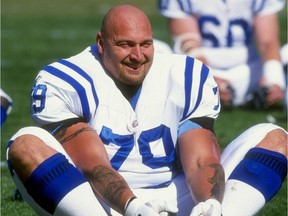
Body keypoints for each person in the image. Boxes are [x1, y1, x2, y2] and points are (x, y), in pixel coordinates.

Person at [6, 4, 287, 216]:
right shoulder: (65, 80)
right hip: (98, 201)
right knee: (25, 143)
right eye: (125, 45)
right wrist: (132, 207)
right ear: (101, 44)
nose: (138, 56)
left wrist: (209, 201)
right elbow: (92, 164)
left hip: (177, 194)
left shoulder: (185, 74)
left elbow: (201, 160)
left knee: (276, 137)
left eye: (145, 44)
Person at [158, 0, 286, 109]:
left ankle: (267, 95)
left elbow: (268, 42)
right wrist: (208, 79)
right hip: (198, 75)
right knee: (157, 48)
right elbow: (188, 43)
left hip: (251, 74)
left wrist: (273, 78)